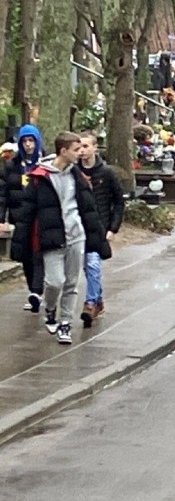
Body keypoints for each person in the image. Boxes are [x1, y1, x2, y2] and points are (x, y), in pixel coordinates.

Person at [10, 132, 110, 344]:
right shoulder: (39, 177)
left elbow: (89, 209)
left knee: (72, 283)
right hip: (52, 239)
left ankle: (65, 323)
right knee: (55, 282)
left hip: (76, 237)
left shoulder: (77, 175)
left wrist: (98, 240)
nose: (80, 153)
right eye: (76, 149)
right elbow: (26, 213)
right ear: (63, 151)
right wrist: (19, 244)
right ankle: (51, 309)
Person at [77, 131, 124, 327]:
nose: (82, 151)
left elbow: (118, 202)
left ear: (95, 147)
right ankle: (98, 299)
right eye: (79, 147)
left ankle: (90, 304)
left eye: (86, 146)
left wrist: (112, 228)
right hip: (79, 227)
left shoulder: (106, 173)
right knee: (88, 268)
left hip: (99, 227)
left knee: (94, 264)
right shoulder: (74, 172)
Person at [0, 124, 45, 312]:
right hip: (20, 216)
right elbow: (3, 192)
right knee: (25, 255)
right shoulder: (12, 166)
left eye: (31, 141)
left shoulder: (45, 163)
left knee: (39, 255)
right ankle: (32, 290)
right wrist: (2, 217)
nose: (28, 145)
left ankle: (37, 291)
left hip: (41, 216)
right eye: (24, 141)